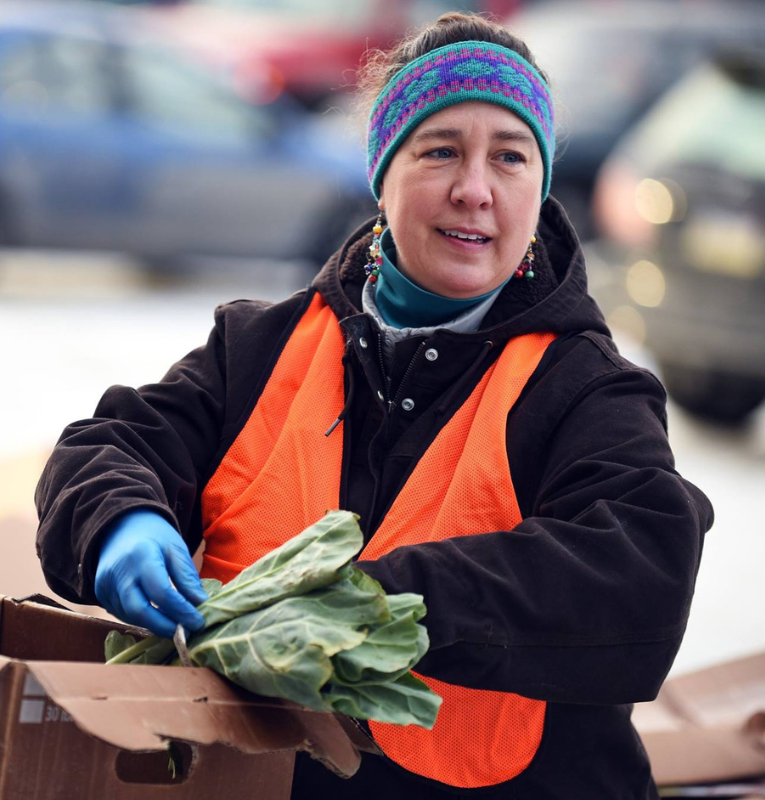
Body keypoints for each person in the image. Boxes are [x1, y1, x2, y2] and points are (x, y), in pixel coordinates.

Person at [35, 12, 713, 800]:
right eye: (440, 152)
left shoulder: (584, 387)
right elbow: (108, 447)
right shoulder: (259, 347)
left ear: (541, 187)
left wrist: (378, 603)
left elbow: (639, 568)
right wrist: (119, 520)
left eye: (510, 157)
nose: (475, 189)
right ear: (382, 178)